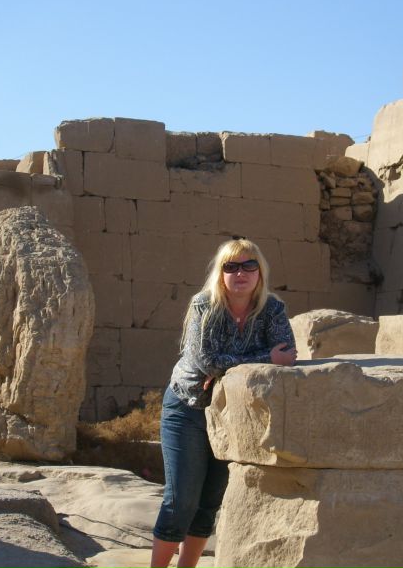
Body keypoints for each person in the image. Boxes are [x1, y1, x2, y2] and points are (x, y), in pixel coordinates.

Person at [150, 237, 297, 568]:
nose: (240, 273)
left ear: (260, 272)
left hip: (231, 411)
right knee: (181, 500)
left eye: (249, 266)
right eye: (231, 267)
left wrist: (228, 365)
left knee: (209, 501)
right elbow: (206, 361)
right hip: (188, 406)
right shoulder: (204, 305)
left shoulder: (272, 309)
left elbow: (288, 355)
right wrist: (263, 357)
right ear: (220, 273)